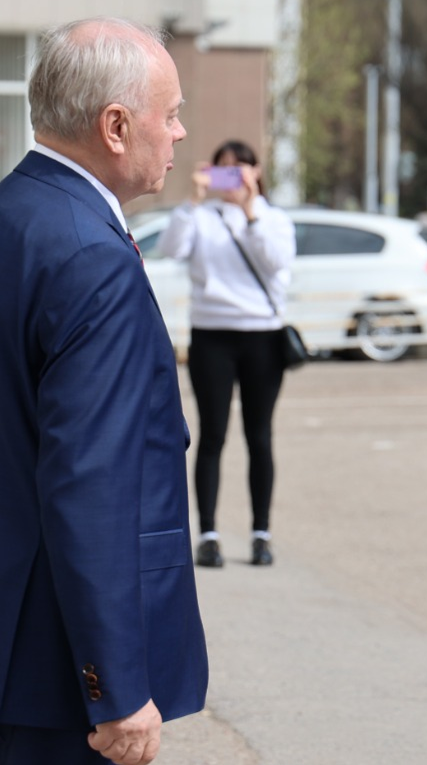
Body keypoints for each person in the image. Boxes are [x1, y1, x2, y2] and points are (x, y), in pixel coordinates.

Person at [0, 17, 208, 765]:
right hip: (58, 671)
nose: (180, 132)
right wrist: (116, 685)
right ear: (116, 126)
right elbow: (90, 483)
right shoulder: (91, 253)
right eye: (170, 113)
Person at [160, 139, 296, 569]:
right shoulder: (201, 217)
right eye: (224, 168)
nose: (232, 176)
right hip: (211, 335)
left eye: (240, 168)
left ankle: (261, 534)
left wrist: (251, 211)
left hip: (262, 336)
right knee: (212, 435)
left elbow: (276, 262)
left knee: (260, 435)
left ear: (257, 172)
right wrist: (193, 199)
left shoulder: (273, 219)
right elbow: (171, 249)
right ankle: (209, 535)